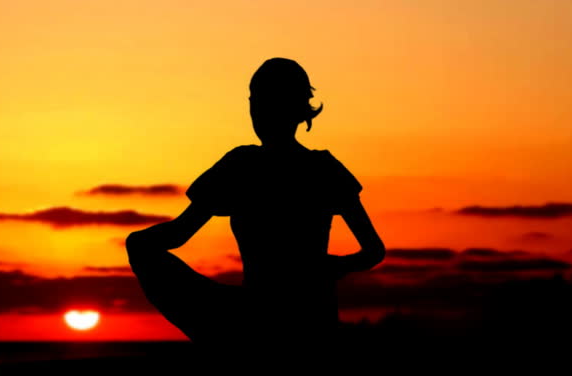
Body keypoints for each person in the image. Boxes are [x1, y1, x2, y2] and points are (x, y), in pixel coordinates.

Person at [126, 58, 385, 361]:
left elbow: (373, 250)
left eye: (266, 99)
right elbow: (179, 232)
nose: (257, 110)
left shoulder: (306, 168)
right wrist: (140, 244)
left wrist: (331, 266)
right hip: (270, 312)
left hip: (284, 320)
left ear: (295, 108)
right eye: (254, 99)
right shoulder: (246, 166)